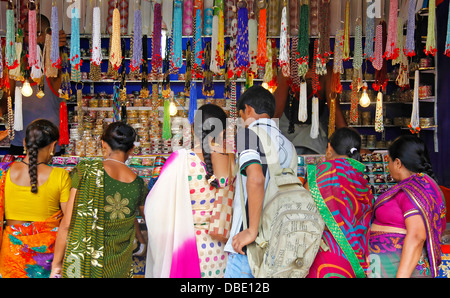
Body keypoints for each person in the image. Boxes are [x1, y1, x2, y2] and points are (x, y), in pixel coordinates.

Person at [144, 104, 233, 278]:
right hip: (223, 251)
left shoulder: (180, 161)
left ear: (193, 129)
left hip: (189, 247)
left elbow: (153, 209)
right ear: (222, 132)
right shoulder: (231, 159)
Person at [50, 122, 148, 278]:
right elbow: (148, 221)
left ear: (103, 143)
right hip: (119, 266)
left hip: (83, 263)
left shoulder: (86, 171)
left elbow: (67, 224)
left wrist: (56, 263)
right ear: (132, 149)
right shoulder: (139, 184)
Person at [224, 85, 296, 278]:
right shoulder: (289, 146)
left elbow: (255, 178)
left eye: (240, 116)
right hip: (278, 246)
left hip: (249, 250)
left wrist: (251, 231)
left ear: (248, 109)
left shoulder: (248, 135)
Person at [0, 119, 71, 278]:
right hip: (47, 257)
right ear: (53, 146)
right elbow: (68, 224)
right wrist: (58, 264)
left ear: (24, 142)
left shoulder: (4, 172)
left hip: (12, 253)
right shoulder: (61, 176)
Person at [368, 135, 446, 278]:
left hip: (401, 269)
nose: (389, 167)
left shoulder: (414, 190)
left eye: (389, 161)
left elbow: (417, 236)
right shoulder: (418, 187)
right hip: (387, 266)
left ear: (397, 163)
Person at [305, 127, 374, 278]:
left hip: (325, 253)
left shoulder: (324, 170)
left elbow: (305, 206)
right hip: (355, 256)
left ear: (329, 147)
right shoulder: (361, 180)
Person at [2, 13, 67, 156]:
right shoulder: (16, 68)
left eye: (37, 34)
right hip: (20, 144)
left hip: (48, 146)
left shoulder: (54, 66)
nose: (31, 39)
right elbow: (7, 101)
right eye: (27, 33)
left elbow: (56, 75)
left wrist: (55, 46)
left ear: (48, 35)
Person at [273, 66, 347, 155]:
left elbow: (336, 112)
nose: (308, 72)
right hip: (288, 132)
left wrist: (350, 144)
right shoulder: (287, 71)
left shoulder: (326, 73)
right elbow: (276, 112)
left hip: (315, 136)